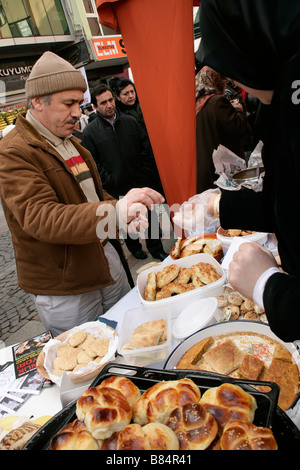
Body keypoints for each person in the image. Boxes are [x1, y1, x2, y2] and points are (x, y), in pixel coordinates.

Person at [0, 51, 164, 336]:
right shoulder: (14, 151)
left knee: (130, 333)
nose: (78, 112)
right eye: (69, 103)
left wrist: (124, 212)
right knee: (89, 358)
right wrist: (114, 212)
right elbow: (41, 217)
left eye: (79, 102)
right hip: (64, 282)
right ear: (38, 101)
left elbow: (94, 197)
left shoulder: (72, 142)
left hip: (104, 258)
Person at [194, 0, 300, 342]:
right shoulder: (283, 101)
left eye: (230, 65)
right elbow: (289, 200)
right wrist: (218, 206)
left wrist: (268, 286)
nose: (232, 80)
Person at [81, 83, 168, 261]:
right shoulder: (90, 133)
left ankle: (156, 248)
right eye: (103, 102)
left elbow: (146, 147)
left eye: (111, 100)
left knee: (149, 216)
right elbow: (93, 164)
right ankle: (134, 248)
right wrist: (110, 180)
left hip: (140, 182)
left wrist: (145, 171)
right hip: (117, 187)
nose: (109, 105)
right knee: (127, 221)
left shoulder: (130, 121)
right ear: (95, 107)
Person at [195, 66, 248, 193]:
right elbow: (237, 126)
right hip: (223, 164)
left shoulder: (197, 103)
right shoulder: (217, 101)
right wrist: (238, 109)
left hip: (205, 163)